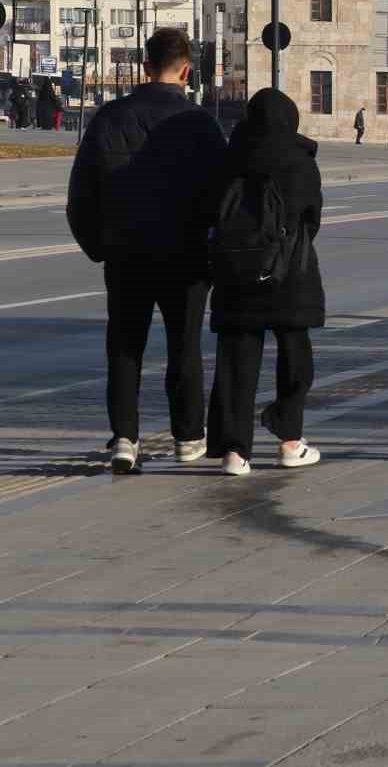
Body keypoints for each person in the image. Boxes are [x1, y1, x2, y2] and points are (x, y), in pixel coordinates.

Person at [66, 27, 226, 473]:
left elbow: (81, 194)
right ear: (187, 69)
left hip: (126, 252)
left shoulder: (110, 119)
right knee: (185, 345)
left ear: (145, 66)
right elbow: (222, 194)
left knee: (124, 344)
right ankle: (188, 436)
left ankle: (124, 437)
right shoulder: (200, 124)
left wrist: (99, 246)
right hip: (187, 256)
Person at [205, 89, 326, 475]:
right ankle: (290, 439)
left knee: (236, 363)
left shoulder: (228, 158)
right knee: (296, 357)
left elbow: (210, 211)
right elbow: (313, 219)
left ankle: (235, 452)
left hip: (236, 275)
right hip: (288, 273)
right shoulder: (300, 161)